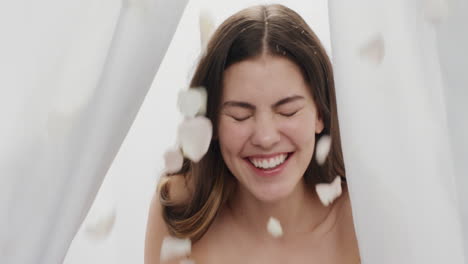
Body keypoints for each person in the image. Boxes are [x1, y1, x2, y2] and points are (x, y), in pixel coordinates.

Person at [145, 4, 360, 263]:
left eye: (288, 111)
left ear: (320, 115)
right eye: (240, 115)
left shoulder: (361, 215)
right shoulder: (179, 210)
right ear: (210, 121)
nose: (265, 138)